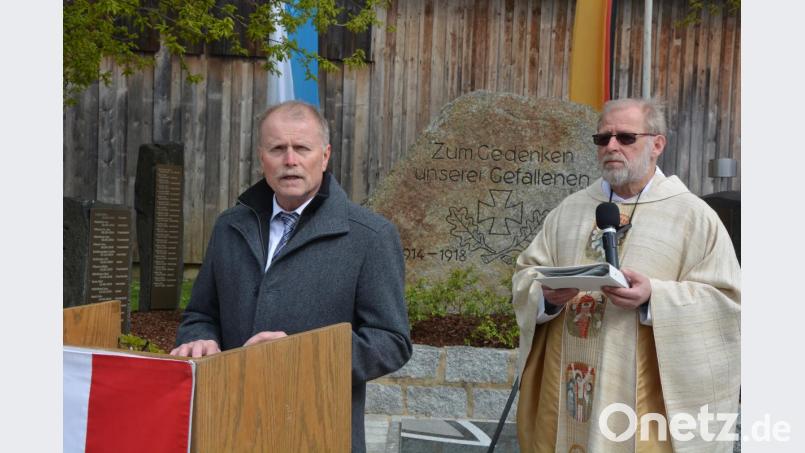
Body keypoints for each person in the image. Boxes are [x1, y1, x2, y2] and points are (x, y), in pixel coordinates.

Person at [171, 100, 412, 453]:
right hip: (229, 422)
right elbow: (200, 315)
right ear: (261, 157)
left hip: (316, 430)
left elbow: (392, 341)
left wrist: (300, 356)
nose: (289, 160)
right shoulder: (229, 227)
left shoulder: (370, 236)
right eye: (277, 149)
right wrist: (200, 338)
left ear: (325, 156)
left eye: (301, 148)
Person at [512, 98, 740, 452]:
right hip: (568, 388)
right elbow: (528, 273)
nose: (612, 147)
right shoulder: (569, 211)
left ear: (657, 145)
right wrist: (546, 297)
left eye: (625, 137)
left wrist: (655, 298)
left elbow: (726, 302)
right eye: (603, 139)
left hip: (641, 404)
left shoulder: (693, 216)